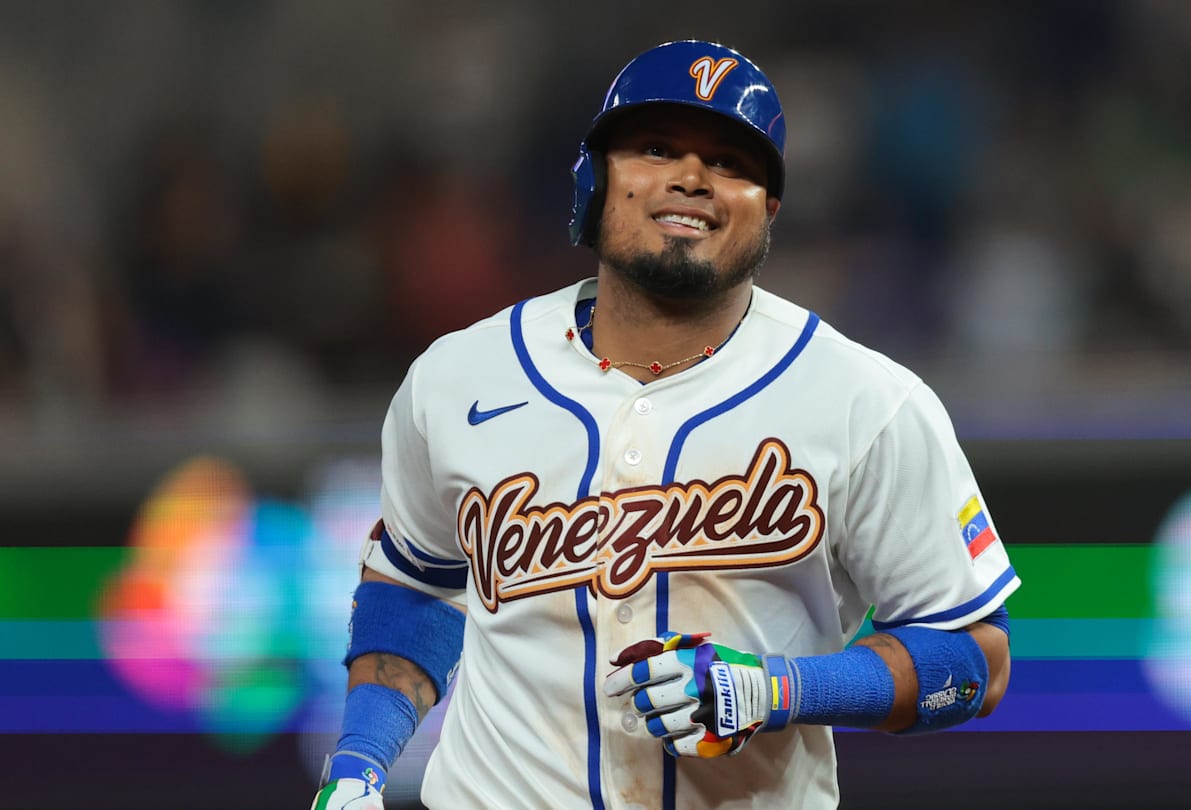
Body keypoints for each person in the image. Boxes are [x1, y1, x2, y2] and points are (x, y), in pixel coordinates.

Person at [311, 39, 1021, 810]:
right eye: (655, 148)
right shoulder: (457, 378)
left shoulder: (866, 401)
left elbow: (975, 663)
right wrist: (359, 762)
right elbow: (414, 588)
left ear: (768, 209)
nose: (692, 177)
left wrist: (779, 689)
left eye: (731, 162)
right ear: (595, 177)